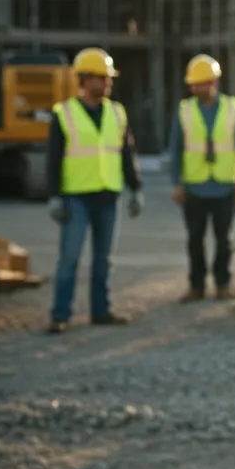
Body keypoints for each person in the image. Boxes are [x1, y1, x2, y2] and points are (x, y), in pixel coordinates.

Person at [46, 47, 144, 333]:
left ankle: (101, 311)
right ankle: (60, 314)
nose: (108, 83)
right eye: (103, 77)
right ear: (86, 79)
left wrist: (136, 189)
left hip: (108, 195)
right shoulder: (64, 114)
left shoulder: (117, 113)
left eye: (109, 78)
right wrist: (54, 197)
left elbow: (127, 154)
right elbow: (53, 159)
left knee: (104, 259)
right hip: (75, 196)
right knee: (70, 257)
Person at [169, 54, 235, 301]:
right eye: (193, 84)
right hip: (194, 187)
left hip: (224, 186)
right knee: (195, 239)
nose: (195, 88)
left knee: (223, 240)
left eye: (200, 83)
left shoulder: (232, 108)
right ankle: (196, 286)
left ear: (213, 83)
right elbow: (175, 149)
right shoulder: (184, 111)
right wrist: (176, 183)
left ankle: (222, 283)